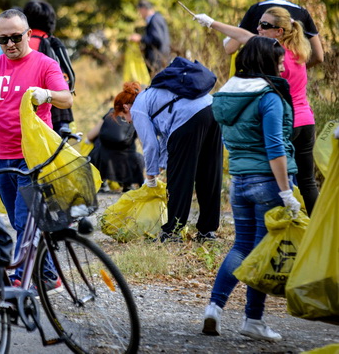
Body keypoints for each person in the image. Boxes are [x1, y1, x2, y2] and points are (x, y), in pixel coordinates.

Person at [202, 36, 300, 342]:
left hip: (239, 183)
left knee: (242, 247)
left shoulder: (229, 94)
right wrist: (286, 192)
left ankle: (213, 309)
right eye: (279, 60)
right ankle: (253, 320)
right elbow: (275, 147)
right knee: (260, 254)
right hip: (268, 184)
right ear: (265, 62)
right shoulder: (268, 97)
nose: (284, 65)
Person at [0, 9, 72, 286]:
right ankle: (48, 275)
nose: (10, 44)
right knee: (20, 223)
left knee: (26, 222)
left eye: (16, 37)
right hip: (4, 159)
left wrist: (47, 94)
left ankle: (19, 280)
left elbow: (66, 99)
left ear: (27, 34)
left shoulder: (45, 64)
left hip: (34, 158)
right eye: (3, 39)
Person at [194, 6, 318, 215]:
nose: (259, 29)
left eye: (265, 25)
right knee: (307, 182)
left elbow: (244, 36)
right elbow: (247, 36)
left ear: (279, 31)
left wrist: (211, 23)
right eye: (259, 24)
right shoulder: (298, 51)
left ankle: (281, 227)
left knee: (277, 178)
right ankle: (317, 231)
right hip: (306, 122)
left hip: (287, 123)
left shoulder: (273, 53)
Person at [130, 65, 222, 242]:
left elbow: (150, 145)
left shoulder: (137, 108)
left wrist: (150, 176)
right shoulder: (157, 94)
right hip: (211, 108)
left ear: (126, 106)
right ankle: (207, 231)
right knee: (209, 173)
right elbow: (167, 139)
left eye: (123, 117)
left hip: (188, 116)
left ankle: (172, 231)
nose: (128, 122)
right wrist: (163, 164)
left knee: (180, 177)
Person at [223, 0, 324, 68]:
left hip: (260, 76)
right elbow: (319, 56)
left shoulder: (255, 9)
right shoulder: (303, 13)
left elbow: (230, 48)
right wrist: (296, 69)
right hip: (290, 81)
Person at [23, 0, 75, 134]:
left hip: (28, 106)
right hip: (57, 109)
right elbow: (68, 74)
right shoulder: (53, 42)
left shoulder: (21, 44)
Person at [86, 82, 144, 192]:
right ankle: (128, 184)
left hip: (101, 159)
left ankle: (102, 182)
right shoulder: (138, 116)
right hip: (127, 163)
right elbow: (144, 143)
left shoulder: (110, 113)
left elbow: (90, 136)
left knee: (98, 143)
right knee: (137, 156)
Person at [129, 0, 171, 75]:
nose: (140, 14)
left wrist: (140, 38)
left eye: (140, 11)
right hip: (161, 60)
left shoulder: (155, 20)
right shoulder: (157, 18)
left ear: (144, 9)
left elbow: (157, 40)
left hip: (158, 61)